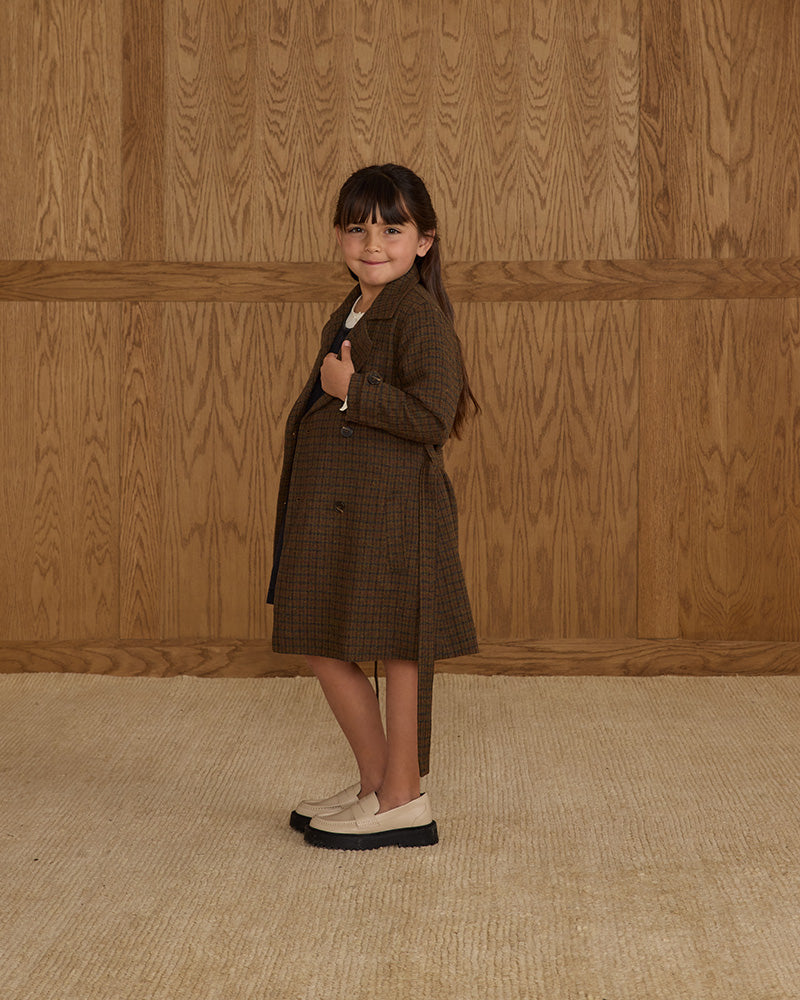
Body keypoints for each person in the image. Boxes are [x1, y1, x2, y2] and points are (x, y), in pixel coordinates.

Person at [267, 163, 479, 850]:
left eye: (392, 230)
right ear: (339, 236)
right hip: (349, 510)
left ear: (424, 242)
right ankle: (376, 784)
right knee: (326, 636)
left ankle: (401, 795)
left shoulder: (417, 315)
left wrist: (352, 390)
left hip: (394, 513)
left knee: (401, 649)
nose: (373, 243)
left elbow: (433, 416)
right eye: (357, 229)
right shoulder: (355, 305)